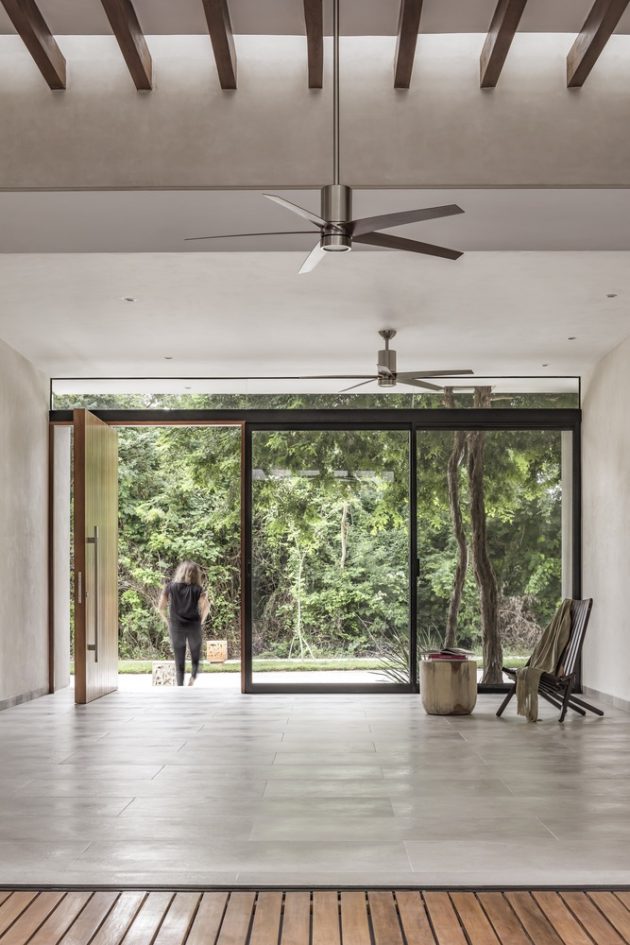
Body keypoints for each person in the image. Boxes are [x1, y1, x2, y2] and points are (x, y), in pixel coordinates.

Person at [158, 561, 209, 687]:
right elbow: (206, 607)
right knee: (196, 656)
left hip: (176, 627)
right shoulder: (198, 589)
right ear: (196, 574)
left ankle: (180, 687)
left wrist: (168, 621)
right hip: (194, 626)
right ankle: (193, 677)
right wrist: (201, 621)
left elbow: (161, 607)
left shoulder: (170, 587)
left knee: (179, 659)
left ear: (180, 572)